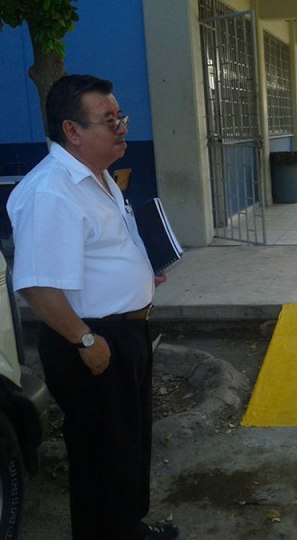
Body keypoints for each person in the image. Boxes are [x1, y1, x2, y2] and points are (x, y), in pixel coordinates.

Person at [7, 75, 179, 540]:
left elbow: (100, 250)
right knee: (101, 454)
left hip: (124, 333)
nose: (122, 127)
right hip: (90, 339)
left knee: (128, 445)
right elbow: (37, 286)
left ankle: (129, 528)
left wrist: (142, 271)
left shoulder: (99, 176)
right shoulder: (51, 191)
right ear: (72, 130)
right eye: (109, 121)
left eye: (120, 117)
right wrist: (85, 340)